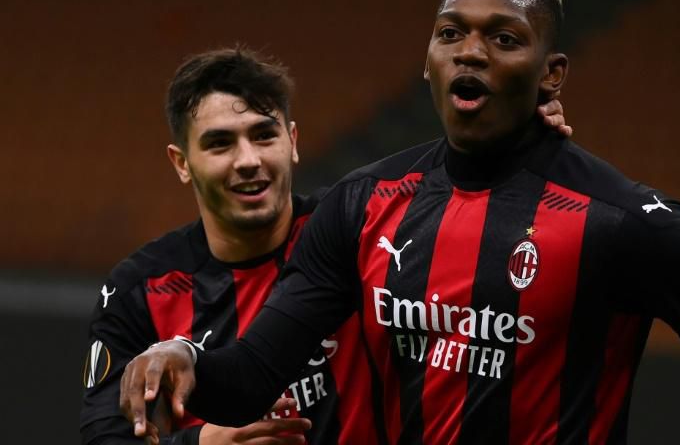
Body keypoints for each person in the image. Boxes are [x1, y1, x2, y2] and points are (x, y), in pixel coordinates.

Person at [120, 0, 680, 444]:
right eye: (450, 33)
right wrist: (183, 355)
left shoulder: (627, 221)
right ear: (429, 57)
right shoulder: (361, 204)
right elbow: (250, 379)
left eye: (503, 38)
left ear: (551, 74)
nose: (470, 53)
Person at [81, 46, 573, 444]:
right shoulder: (139, 289)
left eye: (263, 135)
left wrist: (511, 133)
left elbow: (465, 196)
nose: (248, 159)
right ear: (181, 162)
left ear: (292, 141)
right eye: (219, 144)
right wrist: (203, 443)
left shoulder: (354, 234)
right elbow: (104, 434)